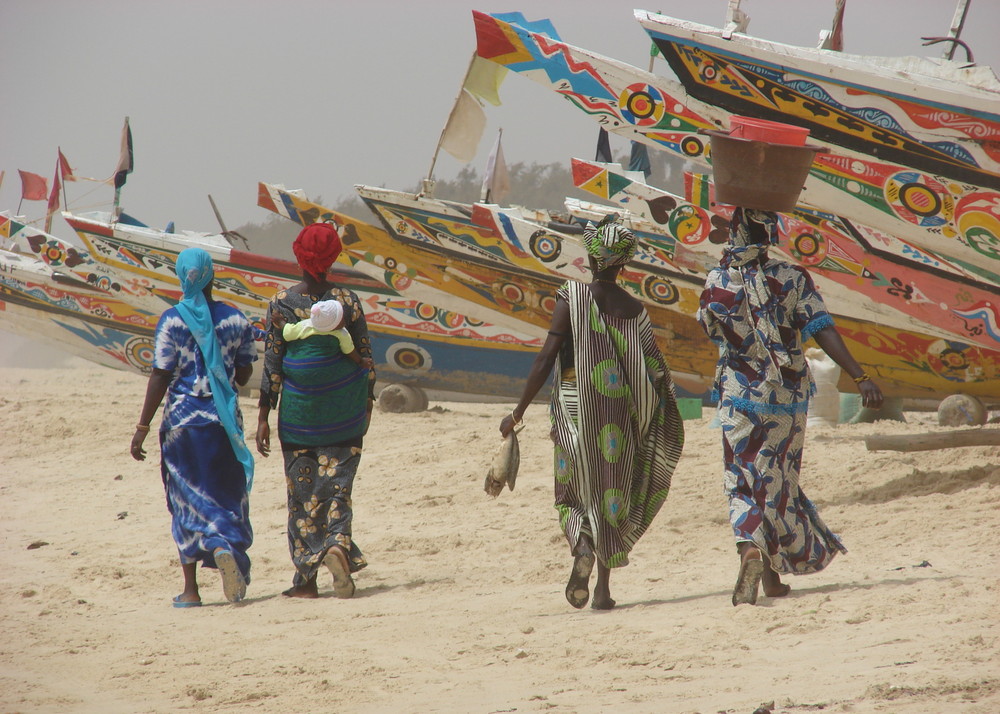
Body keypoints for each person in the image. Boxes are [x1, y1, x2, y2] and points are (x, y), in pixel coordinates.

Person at [697, 207, 884, 606]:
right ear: (769, 235)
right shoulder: (793, 278)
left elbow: (711, 328)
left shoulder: (716, 281)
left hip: (737, 396)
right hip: (786, 400)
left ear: (734, 234)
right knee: (776, 482)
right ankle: (770, 579)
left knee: (742, 480)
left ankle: (749, 549)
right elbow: (821, 329)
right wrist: (860, 376)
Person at [499, 215, 684, 610]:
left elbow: (547, 356)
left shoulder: (572, 295)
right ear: (624, 264)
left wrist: (516, 413)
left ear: (591, 257)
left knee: (571, 492)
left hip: (573, 407)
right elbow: (655, 372)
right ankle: (602, 589)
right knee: (609, 494)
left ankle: (581, 543)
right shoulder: (635, 309)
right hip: (618, 416)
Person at [130, 247, 257, 608]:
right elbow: (246, 371)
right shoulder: (235, 320)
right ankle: (223, 546)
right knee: (226, 496)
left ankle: (191, 590)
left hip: (181, 425)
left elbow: (160, 374)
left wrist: (142, 426)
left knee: (184, 501)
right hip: (223, 423)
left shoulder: (172, 320)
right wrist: (225, 373)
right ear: (212, 276)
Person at [256, 222, 376, 599]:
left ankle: (306, 581)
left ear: (298, 255)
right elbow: (366, 360)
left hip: (299, 418)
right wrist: (366, 401)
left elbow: (273, 365)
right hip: (344, 415)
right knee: (338, 489)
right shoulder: (348, 301)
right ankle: (338, 545)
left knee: (302, 495)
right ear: (334, 256)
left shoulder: (281, 303)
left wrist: (263, 414)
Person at [271, 298, 374, 370]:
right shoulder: (341, 333)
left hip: (298, 367)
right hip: (325, 369)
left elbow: (288, 332)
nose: (344, 320)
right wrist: (361, 361)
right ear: (333, 325)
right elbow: (349, 351)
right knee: (359, 374)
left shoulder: (305, 325)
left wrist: (280, 322)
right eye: (341, 319)